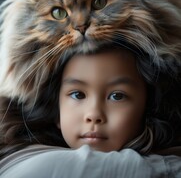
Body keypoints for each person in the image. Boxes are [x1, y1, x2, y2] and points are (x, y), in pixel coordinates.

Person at [0, 44, 181, 178]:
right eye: (78, 95)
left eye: (117, 96)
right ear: (55, 109)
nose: (94, 114)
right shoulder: (33, 164)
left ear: (148, 107)